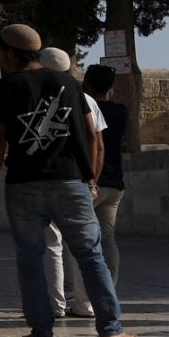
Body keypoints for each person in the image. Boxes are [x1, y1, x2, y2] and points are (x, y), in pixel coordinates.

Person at [0, 24, 135, 337]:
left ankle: (41, 329)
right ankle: (110, 328)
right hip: (70, 182)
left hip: (24, 184)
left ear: (10, 52)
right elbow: (92, 134)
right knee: (91, 255)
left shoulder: (4, 87)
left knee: (30, 257)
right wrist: (90, 176)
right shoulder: (69, 83)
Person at [37, 47, 105, 317]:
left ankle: (55, 305)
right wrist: (92, 180)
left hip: (42, 178)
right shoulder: (85, 98)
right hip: (77, 179)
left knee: (51, 244)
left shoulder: (33, 97)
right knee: (83, 245)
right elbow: (97, 144)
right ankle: (85, 304)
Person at [82, 63, 129, 299]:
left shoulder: (84, 108)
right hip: (115, 183)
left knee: (80, 239)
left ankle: (80, 293)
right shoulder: (121, 110)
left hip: (93, 182)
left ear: (87, 82)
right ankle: (110, 286)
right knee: (108, 239)